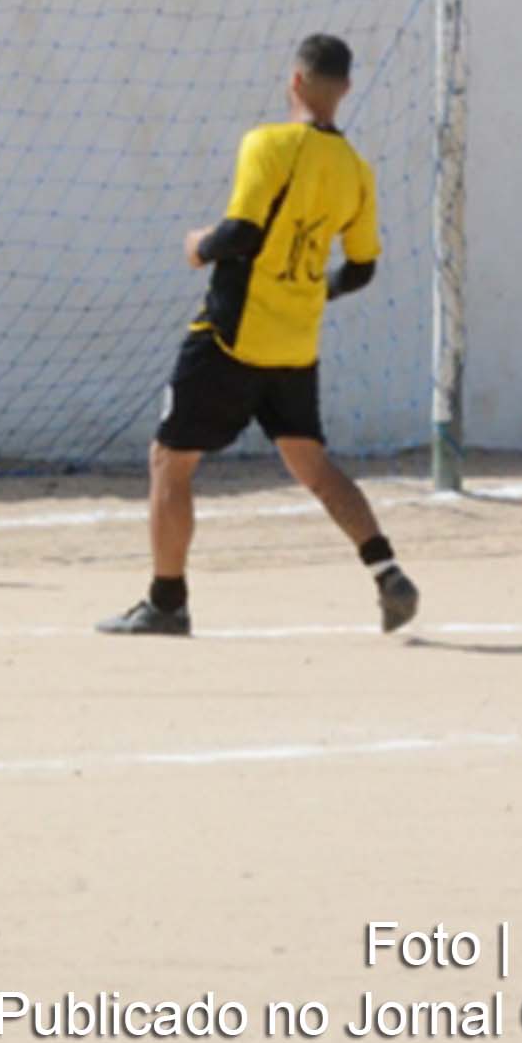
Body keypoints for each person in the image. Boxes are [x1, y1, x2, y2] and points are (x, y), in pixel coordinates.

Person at [98, 34, 418, 637]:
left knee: (169, 460)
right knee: (316, 467)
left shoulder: (267, 143)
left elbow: (240, 232)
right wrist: (315, 289)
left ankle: (167, 603)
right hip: (295, 346)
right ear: (344, 89)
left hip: (231, 338)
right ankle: (386, 570)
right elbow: (363, 267)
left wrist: (197, 248)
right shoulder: (356, 171)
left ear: (294, 82)